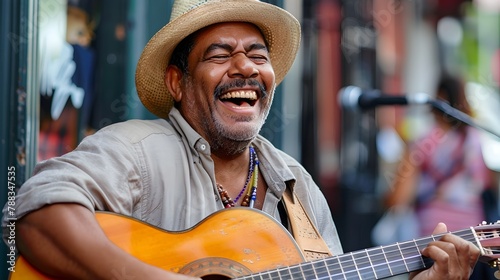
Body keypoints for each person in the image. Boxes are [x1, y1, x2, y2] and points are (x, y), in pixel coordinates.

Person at [3, 0, 479, 279]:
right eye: (220, 54)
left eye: (256, 54)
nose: (246, 67)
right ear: (177, 82)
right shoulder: (135, 151)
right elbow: (35, 213)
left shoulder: (297, 187)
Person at [384, 74, 495, 279]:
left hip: (435, 239)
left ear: (436, 102)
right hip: (473, 239)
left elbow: (397, 198)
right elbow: (485, 183)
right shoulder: (475, 140)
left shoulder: (424, 144)